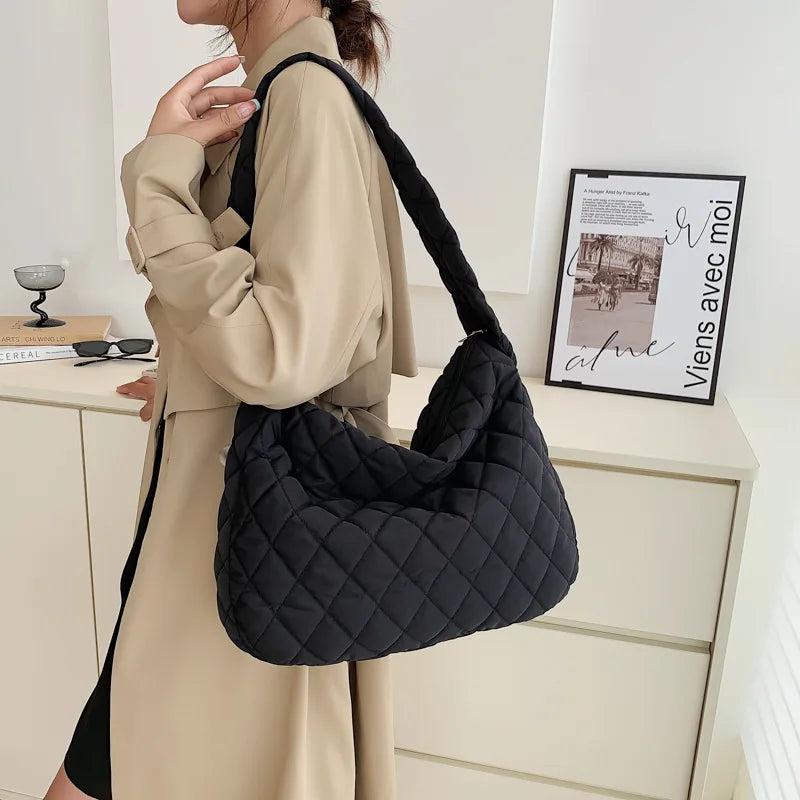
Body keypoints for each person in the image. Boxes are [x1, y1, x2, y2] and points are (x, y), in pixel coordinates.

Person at [46, 1, 416, 798]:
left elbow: (284, 354)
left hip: (248, 553)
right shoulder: (284, 89)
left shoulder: (306, 94)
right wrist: (193, 379)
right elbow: (294, 327)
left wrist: (156, 174)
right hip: (223, 544)